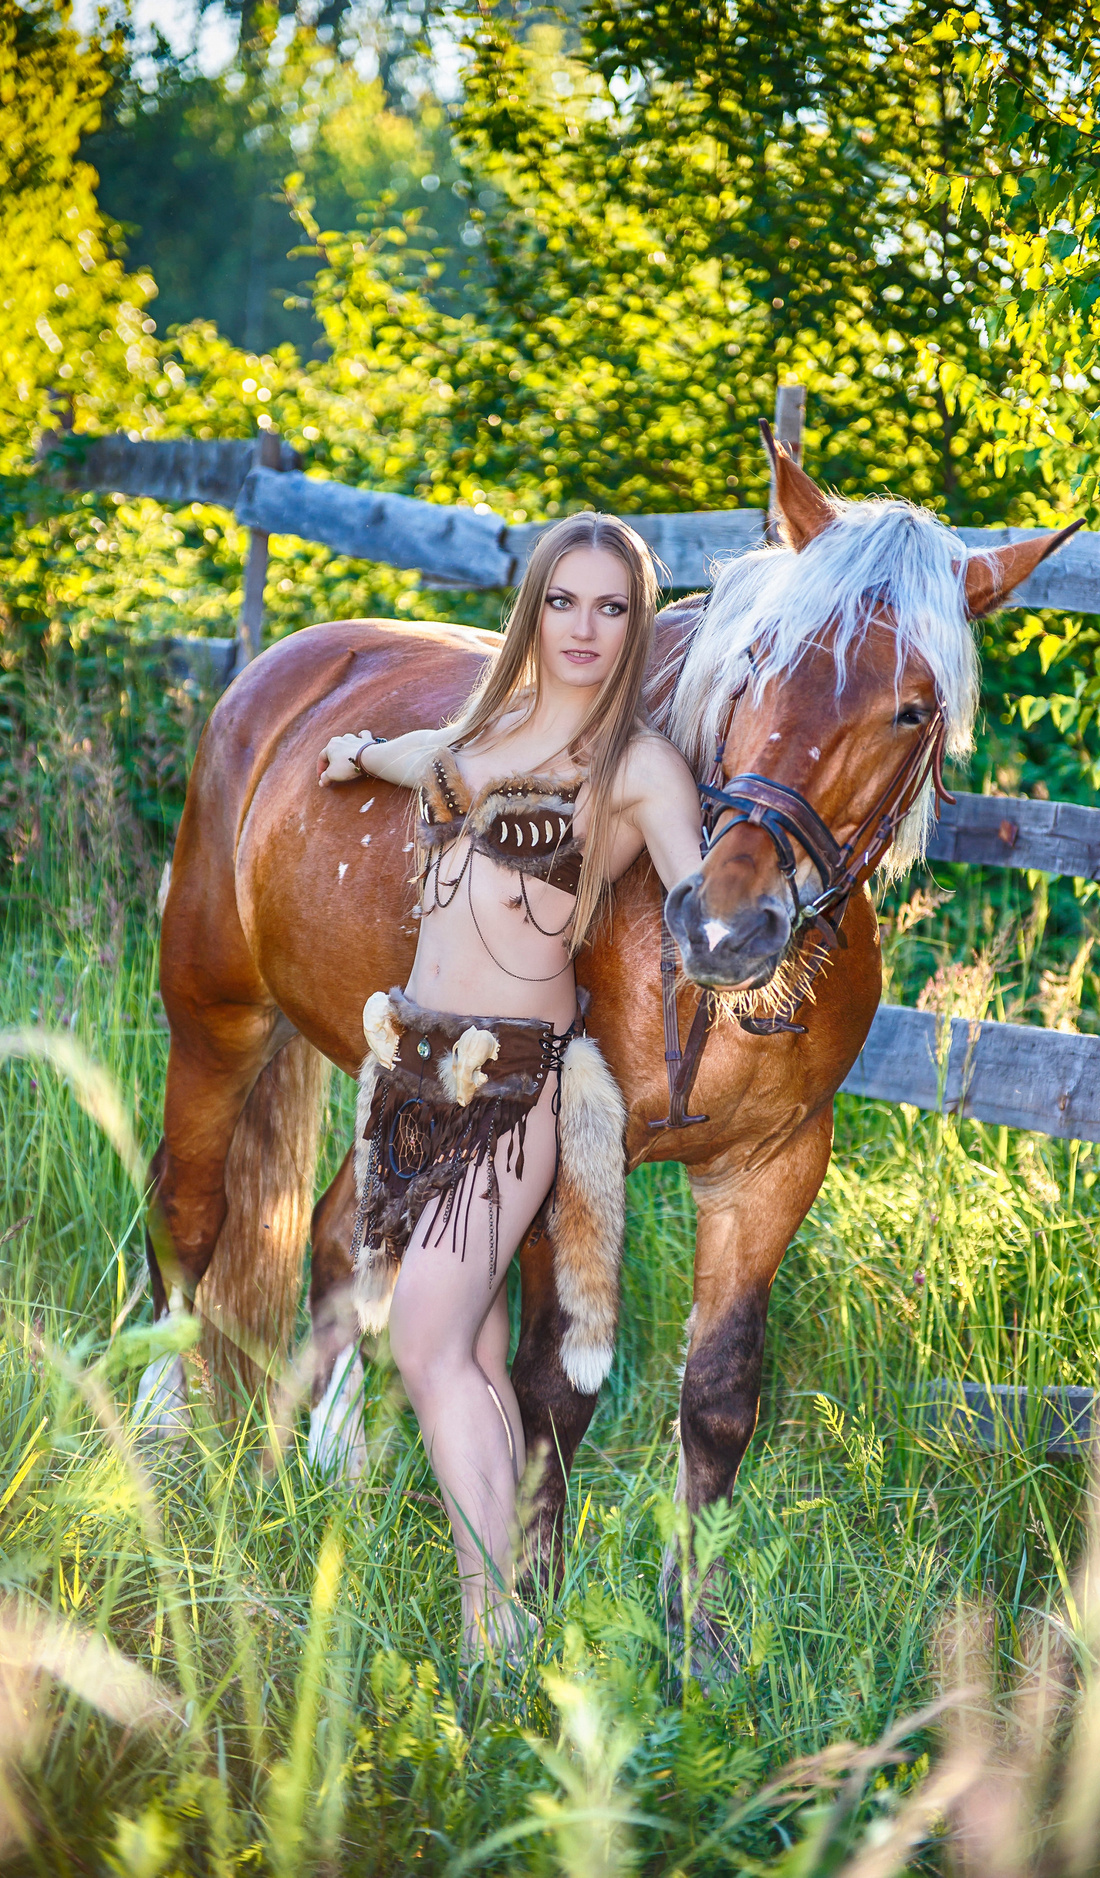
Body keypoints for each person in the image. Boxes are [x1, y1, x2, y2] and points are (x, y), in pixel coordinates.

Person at [317, 512, 706, 1660]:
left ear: (636, 626)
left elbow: (697, 899)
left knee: (427, 1350)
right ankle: (509, 1625)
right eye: (564, 601)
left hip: (514, 1089)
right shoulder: (481, 730)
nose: (584, 629)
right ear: (532, 606)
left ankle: (494, 1639)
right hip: (410, 1078)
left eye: (613, 608)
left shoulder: (637, 768)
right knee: (473, 1358)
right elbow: (421, 760)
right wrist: (355, 756)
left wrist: (747, 929)